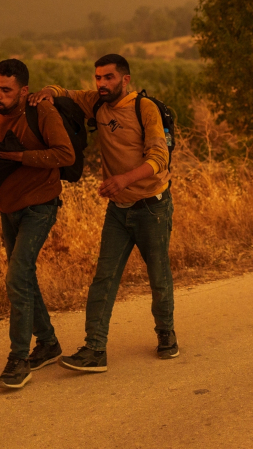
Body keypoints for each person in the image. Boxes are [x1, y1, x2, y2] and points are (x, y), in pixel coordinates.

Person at [29, 54, 176, 372]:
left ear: (125, 79)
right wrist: (47, 91)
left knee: (159, 277)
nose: (101, 84)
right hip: (118, 211)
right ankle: (95, 349)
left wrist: (125, 178)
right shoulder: (96, 101)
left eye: (108, 78)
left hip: (152, 206)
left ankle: (166, 335)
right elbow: (65, 93)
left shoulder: (144, 109)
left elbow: (159, 157)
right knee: (103, 279)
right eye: (97, 78)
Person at [0, 59, 75, 390]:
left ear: (23, 91)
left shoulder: (42, 114)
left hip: (40, 205)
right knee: (23, 278)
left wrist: (19, 157)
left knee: (17, 276)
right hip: (7, 206)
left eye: (6, 90)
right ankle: (49, 343)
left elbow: (65, 155)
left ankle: (18, 360)